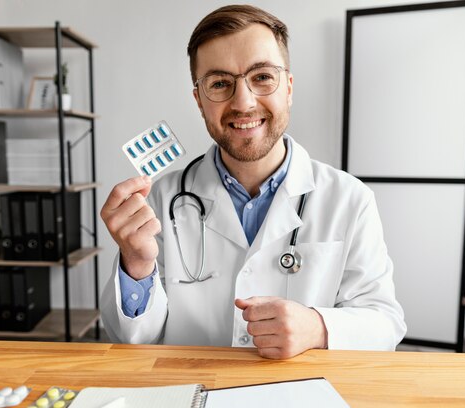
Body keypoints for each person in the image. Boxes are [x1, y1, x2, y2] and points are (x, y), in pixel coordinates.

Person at [100, 4, 406, 359]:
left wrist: (318, 327)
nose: (243, 102)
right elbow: (133, 343)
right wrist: (136, 265)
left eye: (262, 77)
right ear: (199, 101)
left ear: (288, 88)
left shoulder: (349, 199)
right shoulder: (160, 201)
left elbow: (385, 323)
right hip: (191, 395)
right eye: (219, 83)